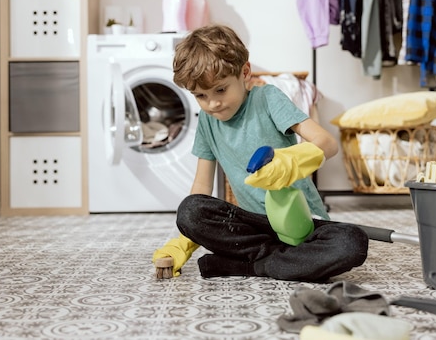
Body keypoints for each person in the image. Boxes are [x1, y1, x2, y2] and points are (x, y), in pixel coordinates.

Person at [153, 24, 368, 282]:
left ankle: (250, 266)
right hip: (257, 228)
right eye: (201, 95)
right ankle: (281, 262)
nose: (213, 103)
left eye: (220, 89)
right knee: (189, 211)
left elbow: (327, 143)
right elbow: (201, 186)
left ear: (245, 72)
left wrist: (291, 161)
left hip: (303, 224)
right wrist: (185, 241)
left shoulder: (267, 98)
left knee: (352, 243)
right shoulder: (208, 121)